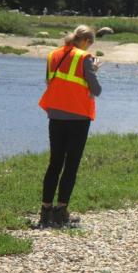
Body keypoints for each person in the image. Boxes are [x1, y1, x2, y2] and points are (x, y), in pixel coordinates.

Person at [38, 25, 102, 227]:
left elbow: (50, 82)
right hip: (78, 116)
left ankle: (45, 211)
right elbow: (96, 90)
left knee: (54, 162)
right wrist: (94, 70)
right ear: (86, 42)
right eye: (90, 43)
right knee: (71, 164)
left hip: (55, 115)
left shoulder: (52, 55)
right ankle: (61, 211)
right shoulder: (85, 58)